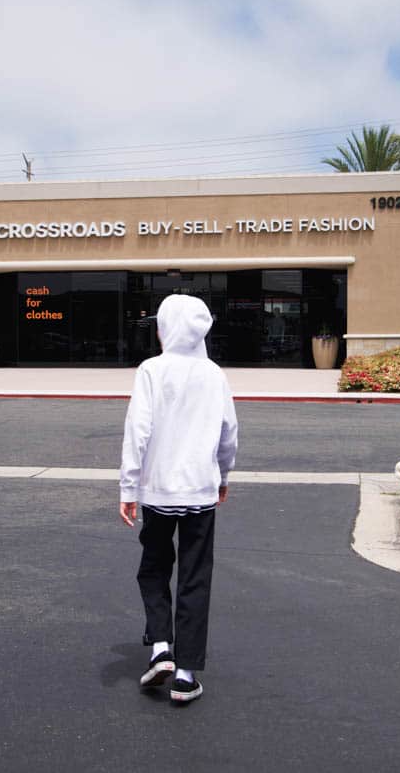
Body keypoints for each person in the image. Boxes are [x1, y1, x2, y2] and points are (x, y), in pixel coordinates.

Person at [119, 294, 238, 703]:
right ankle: (186, 675)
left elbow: (138, 430)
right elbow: (228, 432)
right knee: (194, 576)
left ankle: (160, 648)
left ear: (167, 328)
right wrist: (223, 475)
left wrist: (128, 487)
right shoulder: (214, 374)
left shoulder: (151, 370)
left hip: (157, 490)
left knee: (152, 569)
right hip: (201, 491)